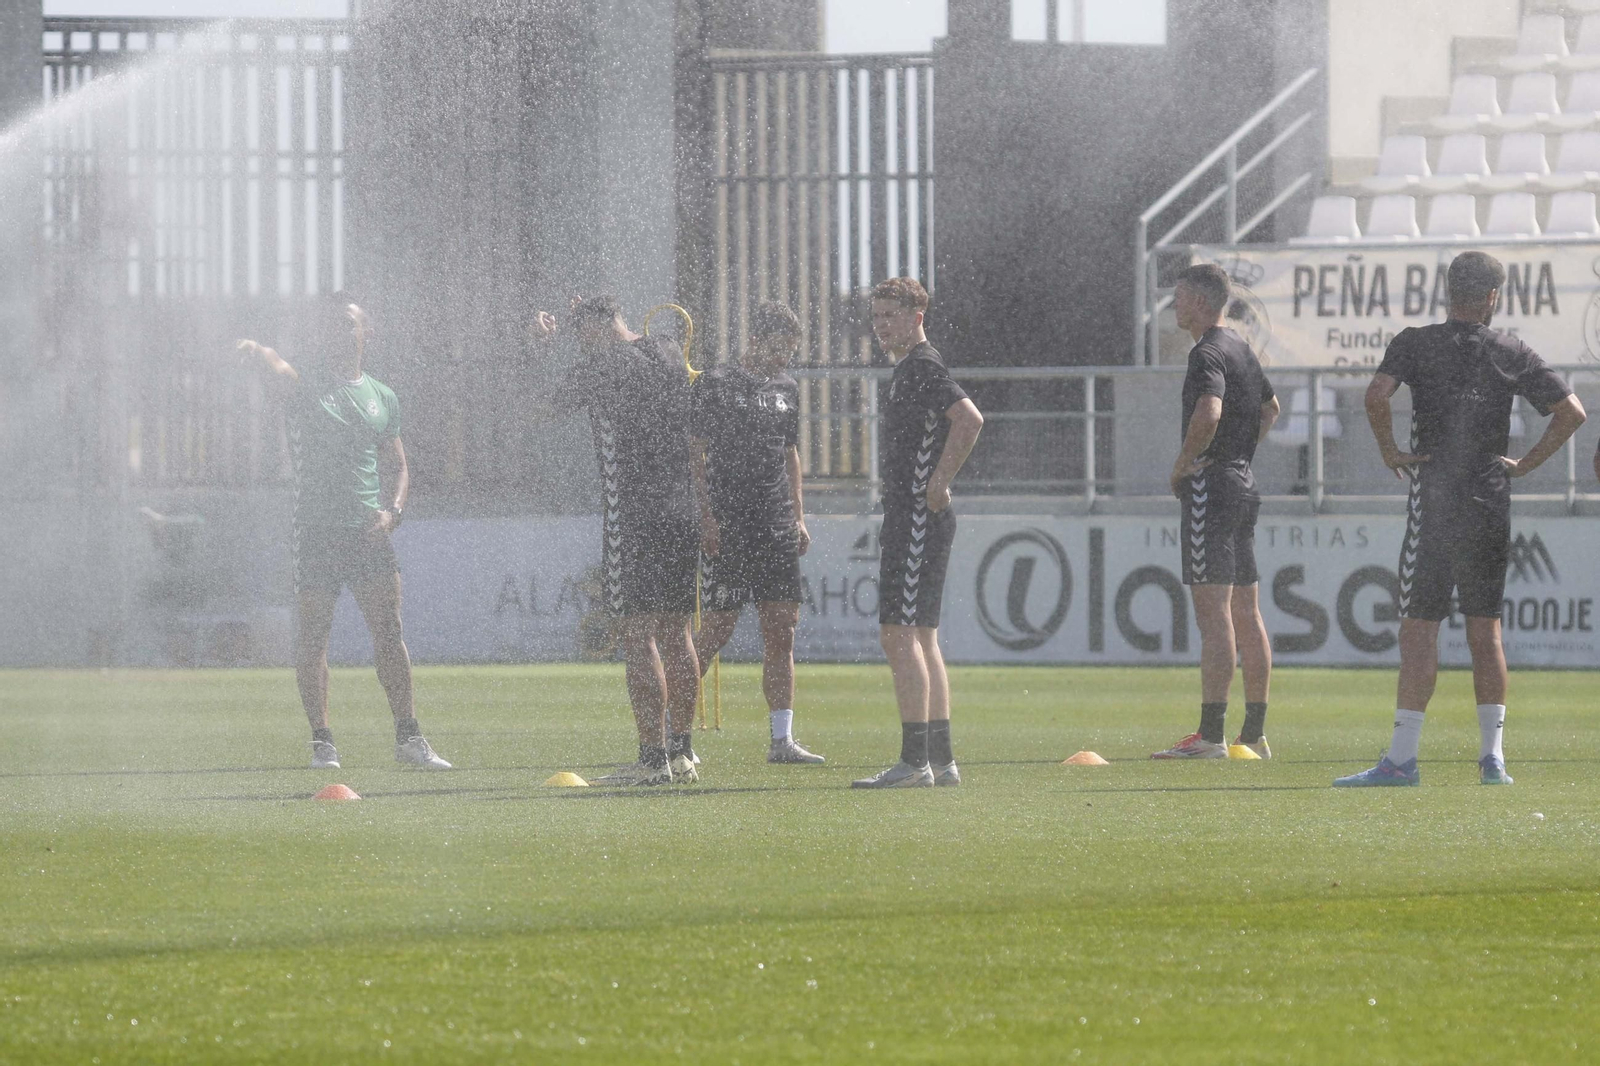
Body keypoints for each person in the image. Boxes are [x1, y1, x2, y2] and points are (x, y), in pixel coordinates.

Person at [1335, 251, 1586, 788]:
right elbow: (1573, 412)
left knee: (1419, 629)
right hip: (1489, 498)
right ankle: (1492, 758)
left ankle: (1401, 760)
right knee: (1485, 630)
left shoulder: (1415, 342)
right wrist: (1524, 465)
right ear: (1493, 297)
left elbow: (1377, 395)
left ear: (1447, 292)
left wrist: (1390, 450)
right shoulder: (1511, 349)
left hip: (1436, 497)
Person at [236, 295, 451, 771]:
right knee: (313, 637)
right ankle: (322, 742)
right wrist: (257, 350)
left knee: (389, 633)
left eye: (347, 323)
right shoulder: (306, 384)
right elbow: (278, 370)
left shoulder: (382, 395)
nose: (338, 330)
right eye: (330, 324)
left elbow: (399, 466)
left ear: (365, 333)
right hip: (316, 531)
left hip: (368, 533)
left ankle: (409, 739)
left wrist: (393, 512)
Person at [534, 296, 701, 786]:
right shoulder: (668, 349)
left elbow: (541, 410)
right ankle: (683, 751)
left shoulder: (602, 364)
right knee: (678, 631)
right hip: (681, 506)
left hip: (634, 513)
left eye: (580, 332)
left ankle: (651, 760)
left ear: (597, 327)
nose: (578, 342)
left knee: (638, 632)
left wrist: (539, 350)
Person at [852, 278, 984, 789]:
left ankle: (914, 762)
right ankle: (941, 759)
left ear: (917, 317)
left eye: (891, 315)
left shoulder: (923, 366)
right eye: (877, 316)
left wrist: (939, 482)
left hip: (915, 518)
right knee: (923, 637)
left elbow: (970, 420)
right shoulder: (909, 368)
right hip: (917, 518)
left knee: (898, 634)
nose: (882, 325)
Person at [1152, 263, 1280, 760]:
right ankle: (1254, 734)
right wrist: (1241, 455)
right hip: (1243, 484)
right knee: (1247, 612)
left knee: (1215, 615)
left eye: (1180, 297)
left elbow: (1209, 412)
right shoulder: (1241, 348)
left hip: (1212, 487)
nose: (1175, 306)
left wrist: (1184, 465)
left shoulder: (1205, 351)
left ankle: (1209, 737)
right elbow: (1271, 408)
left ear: (1202, 303)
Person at [689, 301, 826, 764]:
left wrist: (800, 516)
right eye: (778, 349)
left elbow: (791, 454)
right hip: (730, 525)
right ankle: (674, 734)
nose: (784, 360)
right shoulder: (716, 382)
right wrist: (706, 516)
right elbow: (696, 455)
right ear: (754, 340)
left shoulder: (787, 388)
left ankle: (781, 740)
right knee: (718, 628)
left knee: (781, 629)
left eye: (790, 351)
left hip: (776, 522)